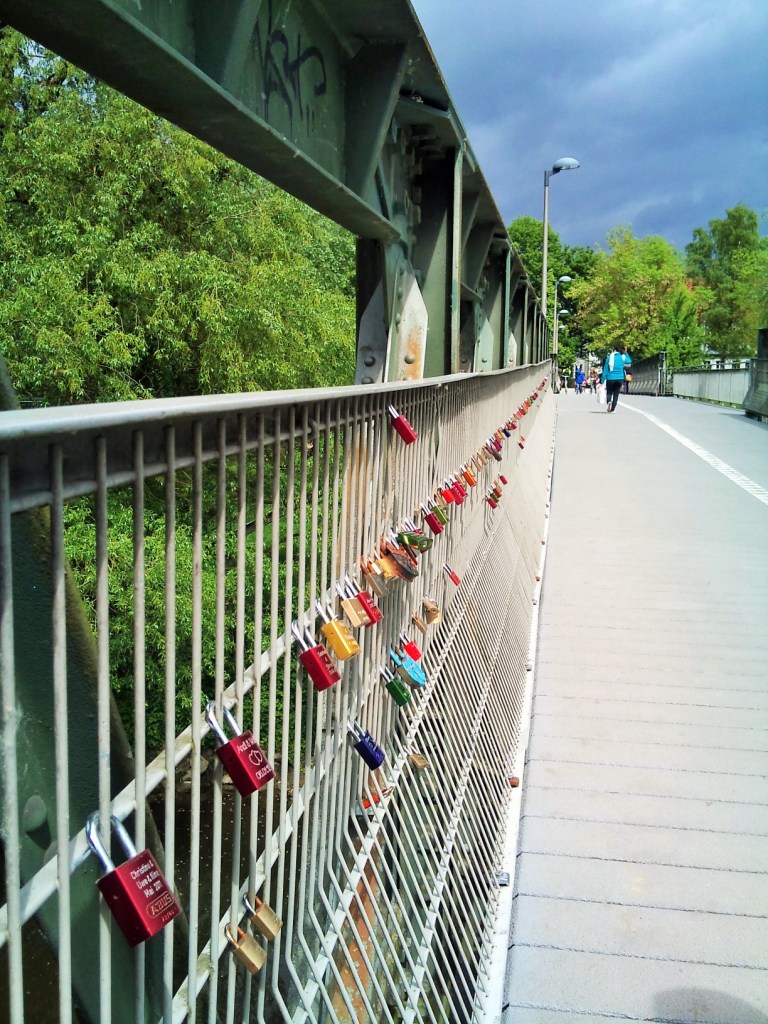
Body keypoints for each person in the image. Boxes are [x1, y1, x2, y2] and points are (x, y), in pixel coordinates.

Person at [601, 344, 632, 413]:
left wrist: (602, 380)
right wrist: (626, 353)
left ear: (614, 350)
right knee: (616, 393)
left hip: (610, 378)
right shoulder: (622, 357)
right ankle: (613, 409)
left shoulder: (609, 357)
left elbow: (605, 369)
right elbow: (629, 361)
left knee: (609, 392)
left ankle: (609, 401)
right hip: (620, 378)